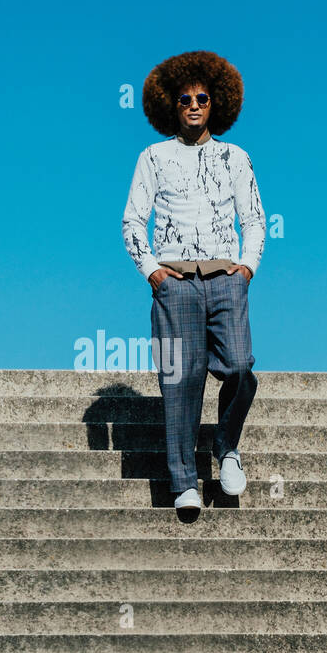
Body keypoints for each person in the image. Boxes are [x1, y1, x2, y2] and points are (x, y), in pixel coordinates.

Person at [121, 50, 266, 513]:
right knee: (178, 379)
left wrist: (245, 269)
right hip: (174, 282)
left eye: (202, 97)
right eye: (184, 98)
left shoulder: (235, 157)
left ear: (216, 102)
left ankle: (226, 449)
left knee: (241, 366)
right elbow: (131, 222)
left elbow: (256, 220)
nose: (193, 104)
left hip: (226, 278)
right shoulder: (153, 157)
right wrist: (155, 274)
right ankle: (183, 481)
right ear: (171, 104)